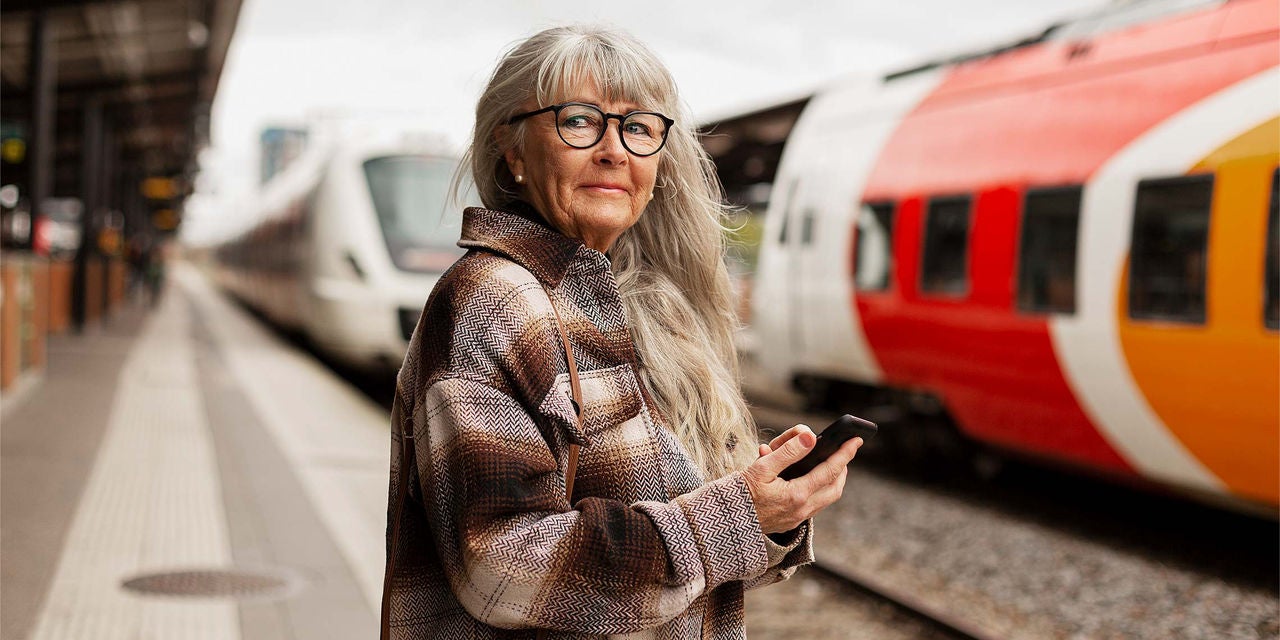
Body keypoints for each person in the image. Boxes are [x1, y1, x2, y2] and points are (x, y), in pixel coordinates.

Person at [381, 25, 863, 639]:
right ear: (513, 150)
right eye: (579, 121)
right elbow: (500, 567)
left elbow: (687, 561)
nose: (615, 150)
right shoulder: (494, 298)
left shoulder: (628, 306)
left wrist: (767, 509)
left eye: (638, 127)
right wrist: (733, 516)